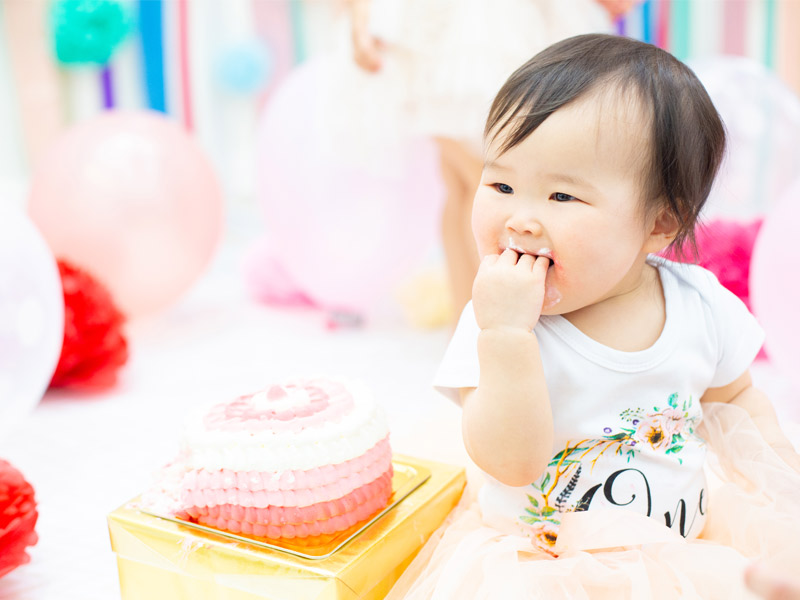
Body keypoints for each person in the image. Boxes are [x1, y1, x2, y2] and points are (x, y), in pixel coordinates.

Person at [387, 34, 800, 599]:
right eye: (502, 184)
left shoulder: (699, 306)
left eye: (562, 197)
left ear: (660, 222)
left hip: (678, 560)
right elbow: (512, 461)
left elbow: (739, 409)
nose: (522, 220)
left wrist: (783, 505)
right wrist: (507, 335)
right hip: (537, 569)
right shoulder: (496, 321)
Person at [347, 0, 637, 323]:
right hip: (473, 26)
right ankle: (492, 325)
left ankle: (469, 326)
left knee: (463, 181)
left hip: (458, 25)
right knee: (479, 178)